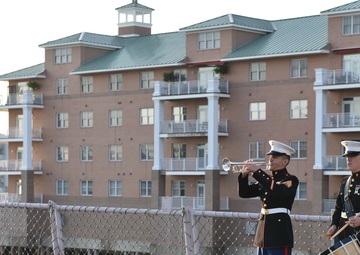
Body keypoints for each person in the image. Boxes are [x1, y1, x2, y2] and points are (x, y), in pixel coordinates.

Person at [238, 140, 299, 255]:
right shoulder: (266, 180)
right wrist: (244, 175)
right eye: (270, 156)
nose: (270, 159)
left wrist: (257, 171)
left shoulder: (290, 179)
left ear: (285, 161)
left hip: (279, 233)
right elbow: (244, 193)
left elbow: (276, 191)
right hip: (262, 234)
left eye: (275, 157)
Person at [326, 140, 360, 241]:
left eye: (353, 156)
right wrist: (334, 225)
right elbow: (339, 207)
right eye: (347, 157)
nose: (348, 160)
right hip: (344, 232)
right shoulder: (346, 181)